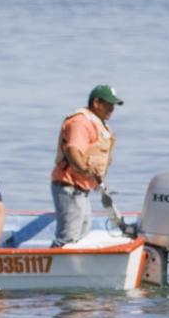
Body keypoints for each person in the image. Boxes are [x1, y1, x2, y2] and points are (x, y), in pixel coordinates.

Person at [50, 84, 121, 247]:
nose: (112, 109)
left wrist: (99, 182)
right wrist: (85, 169)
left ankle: (72, 269)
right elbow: (73, 150)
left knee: (81, 235)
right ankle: (56, 268)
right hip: (69, 188)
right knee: (68, 238)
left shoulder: (99, 124)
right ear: (96, 103)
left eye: (113, 105)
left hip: (82, 190)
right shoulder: (80, 122)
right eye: (108, 104)